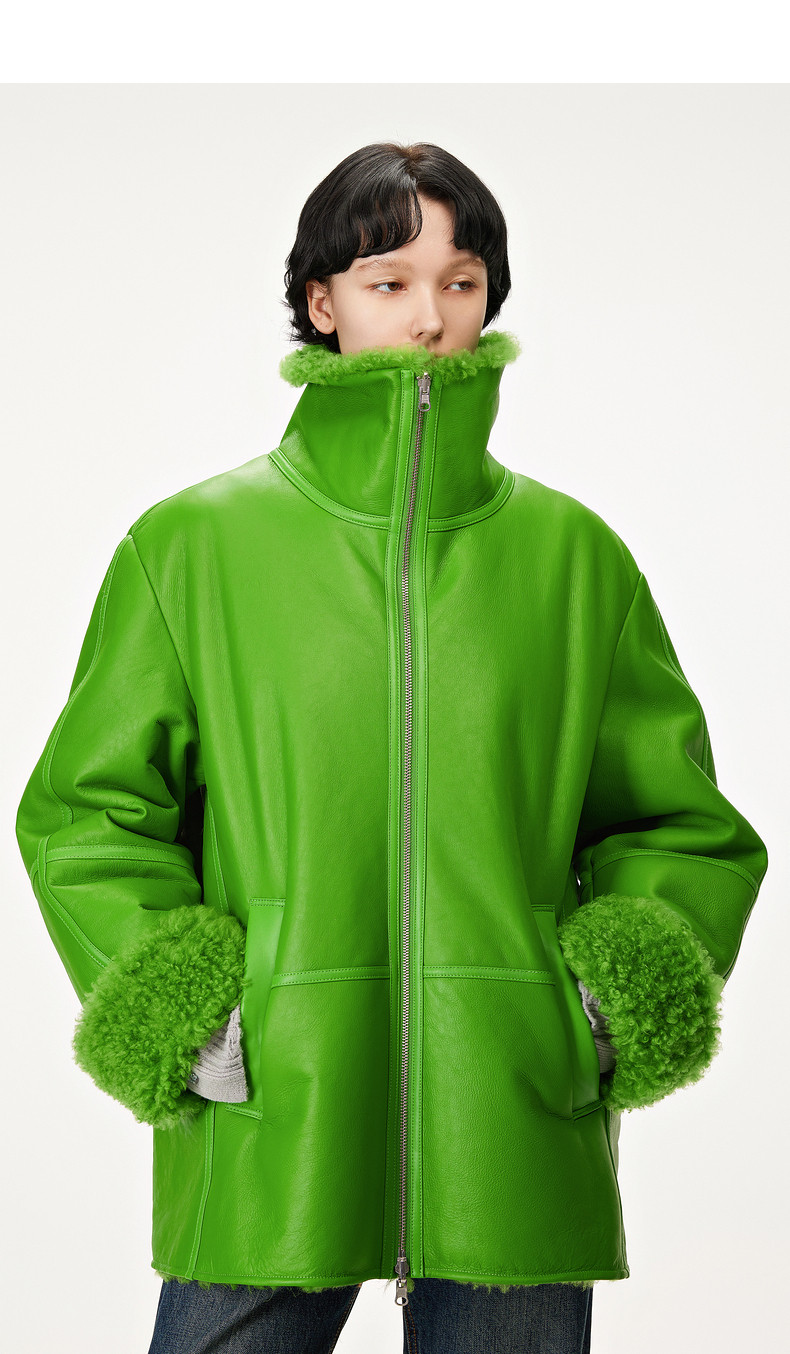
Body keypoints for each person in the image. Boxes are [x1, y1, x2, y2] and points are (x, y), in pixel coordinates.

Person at [15, 141, 768, 1354]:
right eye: (389, 281)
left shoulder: (574, 561)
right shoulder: (193, 548)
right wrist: (189, 1004)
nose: (429, 317)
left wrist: (596, 1006)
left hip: (510, 1120)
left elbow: (676, 824)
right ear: (322, 301)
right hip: (277, 1109)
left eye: (460, 283)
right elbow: (87, 811)